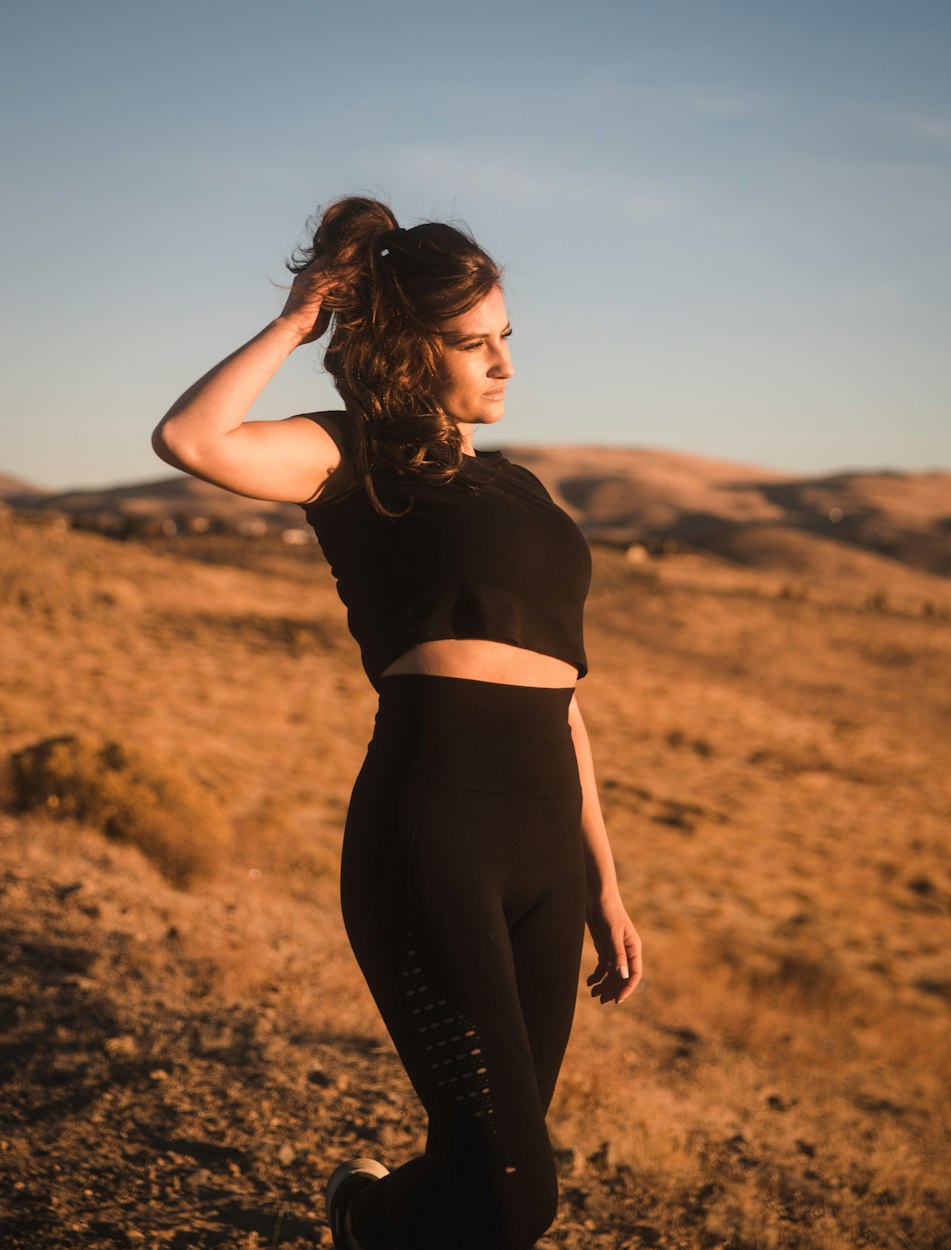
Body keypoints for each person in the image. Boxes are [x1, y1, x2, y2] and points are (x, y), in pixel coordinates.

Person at [152, 195, 642, 1250]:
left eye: (506, 336)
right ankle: (362, 1215)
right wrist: (297, 319)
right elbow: (190, 437)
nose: (504, 362)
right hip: (435, 830)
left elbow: (565, 700)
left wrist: (601, 877)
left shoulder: (529, 490)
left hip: (548, 848)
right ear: (413, 354)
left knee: (480, 1181)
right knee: (519, 1195)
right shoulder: (352, 458)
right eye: (474, 343)